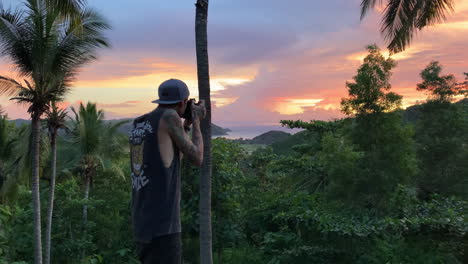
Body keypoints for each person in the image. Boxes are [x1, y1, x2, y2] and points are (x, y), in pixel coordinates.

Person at [129, 79, 206, 264]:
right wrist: (196, 121)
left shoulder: (140, 123)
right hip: (163, 225)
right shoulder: (170, 116)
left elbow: (169, 160)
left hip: (143, 222)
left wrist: (185, 125)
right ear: (183, 102)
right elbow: (197, 158)